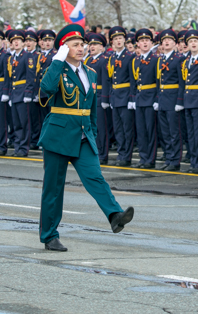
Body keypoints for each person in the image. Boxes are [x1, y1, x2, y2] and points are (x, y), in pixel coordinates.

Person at [38, 24, 134, 252]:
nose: (82, 48)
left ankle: (115, 215)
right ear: (64, 49)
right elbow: (46, 90)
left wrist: (93, 134)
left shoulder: (90, 72)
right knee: (54, 188)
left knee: (95, 177)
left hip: (83, 134)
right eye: (76, 45)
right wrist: (57, 61)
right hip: (58, 135)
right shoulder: (56, 69)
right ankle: (49, 235)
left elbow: (92, 109)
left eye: (83, 44)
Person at [179, 29, 198, 174]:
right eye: (190, 42)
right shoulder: (186, 61)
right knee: (190, 134)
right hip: (188, 100)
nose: (192, 44)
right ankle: (193, 162)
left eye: (195, 42)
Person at [106, 26, 136, 166]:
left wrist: (131, 98)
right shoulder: (112, 57)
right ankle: (121, 153)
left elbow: (132, 79)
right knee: (118, 128)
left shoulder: (130, 57)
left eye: (120, 38)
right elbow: (111, 79)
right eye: (116, 39)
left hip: (125, 97)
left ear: (124, 40)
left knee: (127, 128)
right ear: (112, 42)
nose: (118, 41)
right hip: (115, 97)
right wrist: (110, 97)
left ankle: (126, 156)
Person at [156, 29, 185, 171]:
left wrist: (180, 101)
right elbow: (158, 80)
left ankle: (175, 160)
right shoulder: (160, 59)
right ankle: (168, 158)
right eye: (164, 40)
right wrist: (157, 99)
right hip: (162, 99)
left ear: (175, 43)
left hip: (173, 99)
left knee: (175, 133)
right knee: (165, 133)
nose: (166, 42)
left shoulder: (179, 59)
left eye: (170, 40)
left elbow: (181, 81)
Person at [131, 28, 159, 169]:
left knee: (150, 130)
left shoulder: (155, 59)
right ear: (138, 44)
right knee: (141, 130)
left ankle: (150, 159)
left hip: (150, 97)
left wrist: (156, 99)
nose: (145, 43)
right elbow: (133, 81)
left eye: (147, 40)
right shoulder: (135, 60)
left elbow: (158, 80)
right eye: (142, 41)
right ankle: (143, 158)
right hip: (139, 98)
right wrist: (133, 98)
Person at [7, 30, 37, 157]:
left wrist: (28, 93)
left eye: (18, 40)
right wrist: (9, 94)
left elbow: (31, 77)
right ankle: (18, 146)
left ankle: (24, 148)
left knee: (24, 123)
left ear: (23, 43)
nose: (16, 42)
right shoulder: (13, 57)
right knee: (16, 123)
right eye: (14, 41)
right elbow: (11, 78)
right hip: (14, 93)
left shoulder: (27, 56)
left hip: (23, 93)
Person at [85, 33, 111, 164]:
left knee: (101, 128)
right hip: (89, 97)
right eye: (90, 44)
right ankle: (94, 151)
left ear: (102, 47)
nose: (92, 47)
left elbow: (106, 80)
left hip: (100, 97)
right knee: (90, 127)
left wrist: (105, 99)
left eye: (95, 44)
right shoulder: (87, 60)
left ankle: (102, 154)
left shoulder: (104, 60)